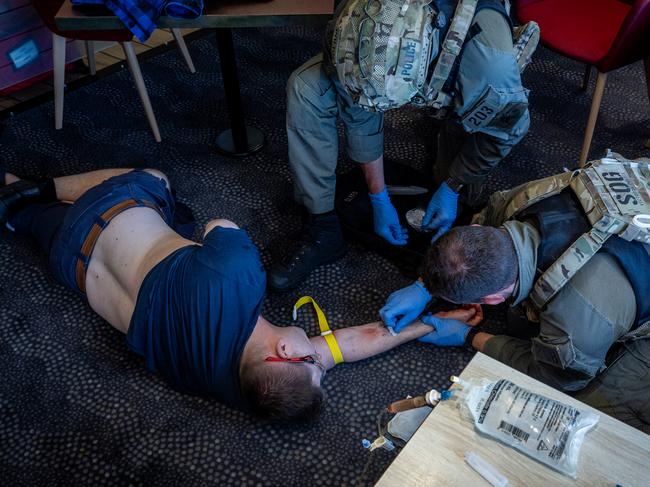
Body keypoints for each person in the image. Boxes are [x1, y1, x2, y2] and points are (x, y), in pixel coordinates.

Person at [0, 167, 479, 421]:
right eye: (317, 363)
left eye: (310, 363)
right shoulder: (240, 388)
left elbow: (219, 227)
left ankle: (44, 186)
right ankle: (21, 200)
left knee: (159, 179)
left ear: (285, 353)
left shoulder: (240, 277)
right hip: (70, 263)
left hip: (110, 213)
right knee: (21, 205)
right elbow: (346, 349)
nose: (320, 355)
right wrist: (429, 326)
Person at [268, 0, 535, 291]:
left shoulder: (489, 64)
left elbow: (506, 130)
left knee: (459, 189)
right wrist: (378, 196)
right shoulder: (354, 14)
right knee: (308, 88)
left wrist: (452, 185)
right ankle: (323, 226)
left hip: (465, 55)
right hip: (391, 54)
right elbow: (360, 104)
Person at [383, 155, 650, 432]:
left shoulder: (574, 323)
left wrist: (469, 336)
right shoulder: (523, 199)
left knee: (582, 416)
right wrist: (423, 287)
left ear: (493, 300)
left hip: (613, 302)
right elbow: (478, 229)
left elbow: (555, 378)